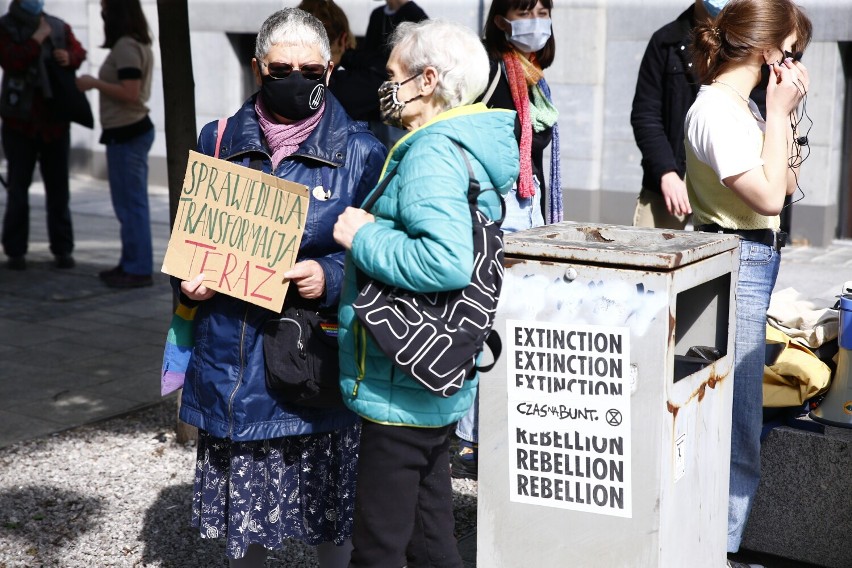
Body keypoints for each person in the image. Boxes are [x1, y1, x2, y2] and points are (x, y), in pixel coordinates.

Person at [176, 9, 386, 568]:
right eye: (281, 68)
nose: (296, 78)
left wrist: (332, 276)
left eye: (310, 68)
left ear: (331, 67)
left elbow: (383, 256)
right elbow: (192, 242)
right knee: (246, 531)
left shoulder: (363, 153)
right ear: (256, 68)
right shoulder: (217, 138)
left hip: (311, 364)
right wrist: (190, 285)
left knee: (330, 519)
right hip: (234, 364)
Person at [333, 19, 518, 567]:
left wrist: (363, 235)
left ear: (427, 79)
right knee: (429, 537)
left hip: (400, 386)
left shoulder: (431, 153)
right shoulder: (464, 144)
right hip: (433, 378)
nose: (384, 86)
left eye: (392, 75)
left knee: (379, 547)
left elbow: (444, 260)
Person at [684, 0, 811, 564]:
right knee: (735, 417)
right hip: (736, 256)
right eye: (789, 51)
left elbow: (786, 177)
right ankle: (719, 549)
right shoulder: (716, 109)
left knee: (736, 410)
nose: (793, 62)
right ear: (767, 50)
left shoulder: (741, 105)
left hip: (754, 255)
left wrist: (781, 119)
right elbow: (768, 195)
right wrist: (780, 114)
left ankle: (716, 544)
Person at [451, 0, 562, 482]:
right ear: (501, 18)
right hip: (497, 212)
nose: (537, 20)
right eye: (526, 10)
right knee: (487, 324)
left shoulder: (535, 78)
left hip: (529, 207)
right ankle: (471, 438)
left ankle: (496, 429)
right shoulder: (493, 73)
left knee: (518, 324)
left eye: (544, 9)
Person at [0, 0, 86, 270]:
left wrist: (69, 57)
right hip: (19, 124)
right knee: (17, 190)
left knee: (59, 191)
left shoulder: (56, 26)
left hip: (55, 123)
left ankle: (63, 249)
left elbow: (78, 52)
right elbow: (10, 59)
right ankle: (15, 251)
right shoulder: (5, 27)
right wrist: (36, 41)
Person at [76, 0, 155, 288]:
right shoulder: (136, 44)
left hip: (127, 132)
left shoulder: (125, 46)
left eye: (106, 9)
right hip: (128, 131)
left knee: (131, 205)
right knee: (129, 204)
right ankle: (131, 262)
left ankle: (137, 268)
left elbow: (130, 92)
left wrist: (93, 83)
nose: (103, 13)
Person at [630, 0, 718, 230]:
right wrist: (666, 172)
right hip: (669, 181)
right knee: (647, 258)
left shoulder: (751, 43)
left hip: (727, 186)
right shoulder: (666, 41)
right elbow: (645, 114)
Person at [298, 0, 383, 122]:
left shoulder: (280, 79)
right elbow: (385, 73)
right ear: (343, 39)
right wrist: (348, 54)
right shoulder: (345, 89)